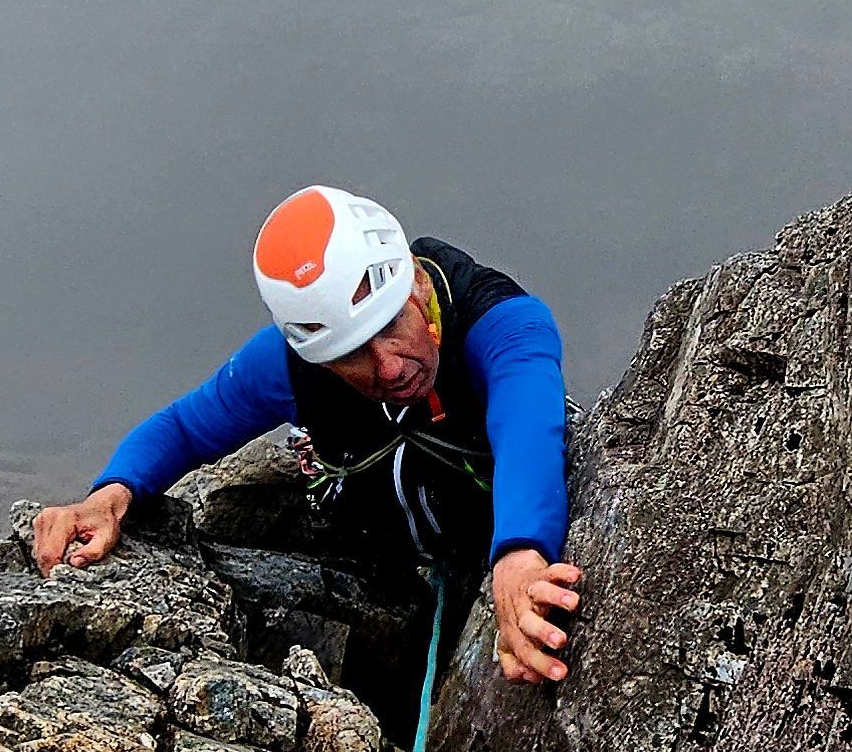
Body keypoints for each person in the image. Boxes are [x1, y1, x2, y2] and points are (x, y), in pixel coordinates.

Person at [33, 186, 582, 684]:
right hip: (377, 560)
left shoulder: (504, 322)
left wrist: (520, 552)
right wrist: (108, 498)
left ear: (417, 281)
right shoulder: (292, 365)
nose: (390, 367)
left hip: (483, 530)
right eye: (351, 354)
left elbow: (527, 429)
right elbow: (184, 427)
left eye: (391, 325)